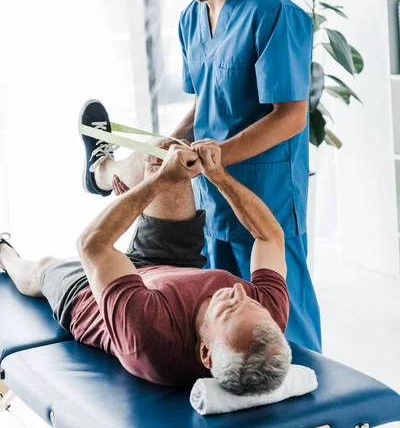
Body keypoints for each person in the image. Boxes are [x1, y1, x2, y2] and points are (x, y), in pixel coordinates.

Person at [84, 0, 321, 353]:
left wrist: (218, 158)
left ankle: (317, 417)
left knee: (280, 322)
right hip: (212, 197)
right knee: (223, 319)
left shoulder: (274, 13)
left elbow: (291, 116)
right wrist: (167, 151)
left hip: (265, 195)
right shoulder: (192, 19)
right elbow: (205, 108)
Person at [0, 113, 291, 393]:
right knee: (163, 151)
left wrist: (158, 183)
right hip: (175, 265)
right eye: (254, 304)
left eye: (228, 309)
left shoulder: (150, 337)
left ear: (205, 352)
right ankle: (101, 170)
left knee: (43, 269)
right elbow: (269, 237)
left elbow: (92, 244)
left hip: (91, 296)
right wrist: (217, 175)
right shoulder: (265, 318)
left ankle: (4, 253)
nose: (239, 291)